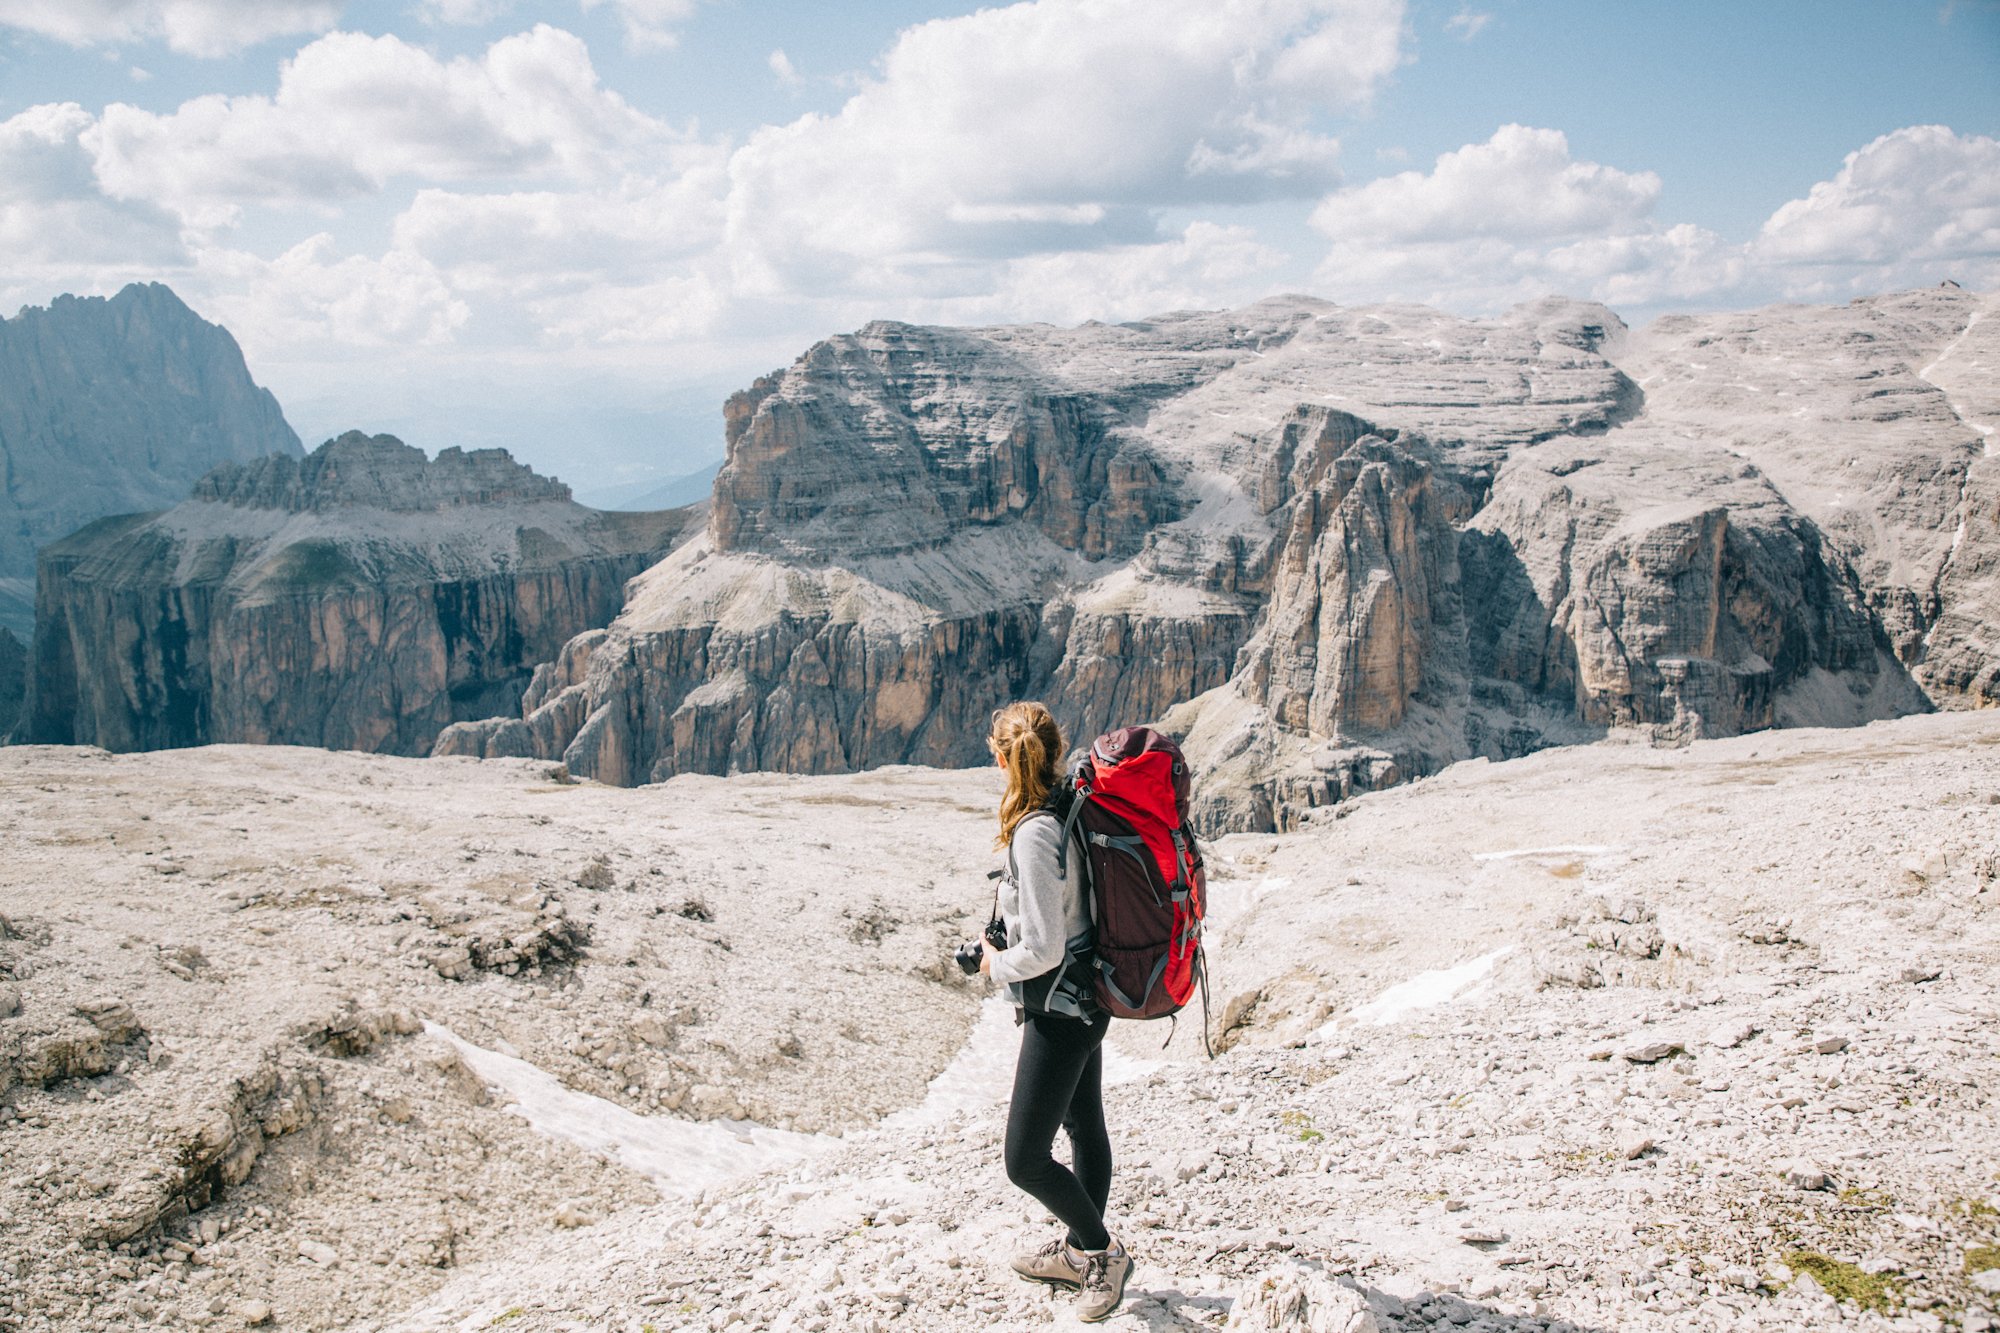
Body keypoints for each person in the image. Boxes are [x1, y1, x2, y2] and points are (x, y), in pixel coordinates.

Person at [980, 701, 1132, 1322]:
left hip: (1061, 1011)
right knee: (1083, 1124)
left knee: (1025, 1160)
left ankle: (1101, 1253)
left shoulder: (1036, 831)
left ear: (1003, 758)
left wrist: (994, 966)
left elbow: (1041, 950)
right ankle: (1077, 1251)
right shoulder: (1072, 802)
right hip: (1091, 996)